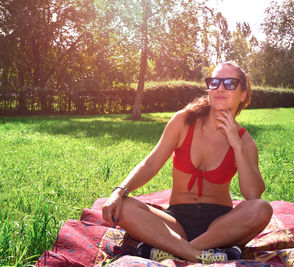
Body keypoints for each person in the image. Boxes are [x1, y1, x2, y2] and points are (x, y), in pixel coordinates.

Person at [102, 62, 273, 264]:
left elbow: (253, 195)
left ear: (243, 94)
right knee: (123, 206)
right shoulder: (183, 122)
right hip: (176, 221)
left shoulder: (245, 141)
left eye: (229, 83)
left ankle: (170, 248)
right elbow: (150, 164)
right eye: (214, 82)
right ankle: (201, 254)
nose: (220, 88)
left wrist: (237, 146)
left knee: (262, 209)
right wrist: (119, 191)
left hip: (220, 226)